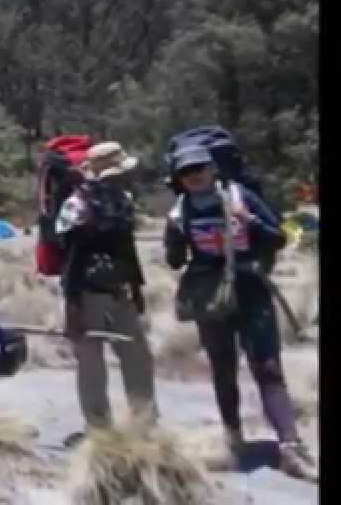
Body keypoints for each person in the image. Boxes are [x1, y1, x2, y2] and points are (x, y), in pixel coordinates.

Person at [165, 145, 318, 481]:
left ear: (212, 169)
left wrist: (248, 222)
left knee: (267, 366)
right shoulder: (179, 211)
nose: (195, 176)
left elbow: (277, 237)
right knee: (223, 367)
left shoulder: (239, 196)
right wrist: (177, 236)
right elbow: (175, 260)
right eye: (187, 172)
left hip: (250, 288)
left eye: (200, 168)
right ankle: (233, 437)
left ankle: (291, 446)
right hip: (210, 296)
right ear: (179, 178)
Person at [55, 141, 157, 444]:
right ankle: (99, 428)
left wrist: (136, 287)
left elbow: (127, 248)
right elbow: (71, 256)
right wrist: (72, 302)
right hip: (87, 291)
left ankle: (143, 421)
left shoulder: (123, 200)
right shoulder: (76, 206)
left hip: (119, 288)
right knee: (91, 360)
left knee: (137, 354)